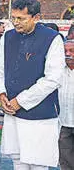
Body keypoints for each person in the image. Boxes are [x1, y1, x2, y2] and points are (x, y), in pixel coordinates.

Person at [0, 0, 66, 170]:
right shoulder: (7, 37)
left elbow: (53, 78)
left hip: (41, 114)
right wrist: (1, 95)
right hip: (11, 110)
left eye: (21, 18)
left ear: (36, 18)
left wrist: (20, 101)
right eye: (13, 18)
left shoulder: (52, 38)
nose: (16, 22)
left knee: (38, 163)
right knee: (18, 160)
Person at [59, 40, 74, 170]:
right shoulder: (56, 72)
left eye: (71, 51)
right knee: (65, 160)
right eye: (65, 51)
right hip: (62, 122)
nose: (68, 54)